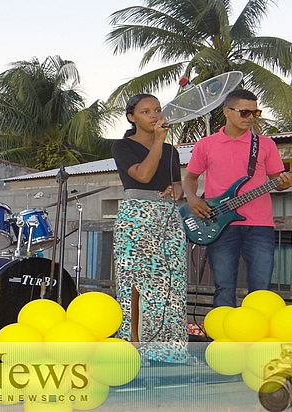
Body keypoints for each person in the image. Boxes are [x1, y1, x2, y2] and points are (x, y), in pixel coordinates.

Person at [183, 89, 292, 308]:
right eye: (245, 112)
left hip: (260, 225)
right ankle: (222, 339)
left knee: (261, 289)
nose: (251, 118)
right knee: (224, 286)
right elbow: (190, 178)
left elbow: (278, 181)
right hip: (221, 223)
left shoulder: (265, 144)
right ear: (227, 112)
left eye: (256, 113)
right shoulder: (206, 144)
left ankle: (258, 338)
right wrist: (192, 199)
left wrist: (287, 182)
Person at [112, 93, 189, 364]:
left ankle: (168, 349)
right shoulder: (123, 147)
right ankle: (133, 345)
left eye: (157, 110)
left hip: (167, 216)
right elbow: (143, 176)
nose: (154, 115)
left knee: (171, 281)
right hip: (137, 217)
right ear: (132, 117)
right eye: (146, 111)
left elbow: (178, 184)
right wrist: (158, 141)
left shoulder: (171, 151)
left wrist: (177, 190)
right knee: (135, 281)